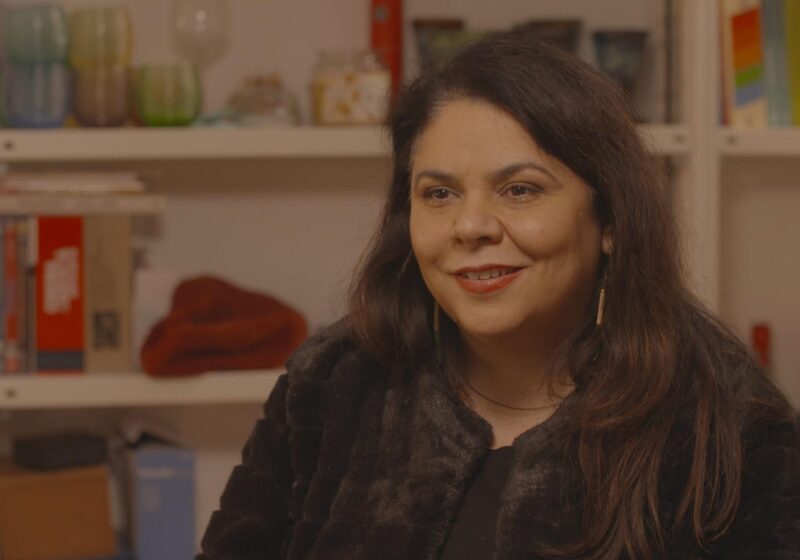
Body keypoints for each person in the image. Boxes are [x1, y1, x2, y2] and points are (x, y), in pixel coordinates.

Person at [198, 31, 799, 560]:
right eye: (439, 194)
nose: (470, 226)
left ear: (611, 220)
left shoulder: (731, 424)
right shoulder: (330, 383)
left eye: (519, 190)